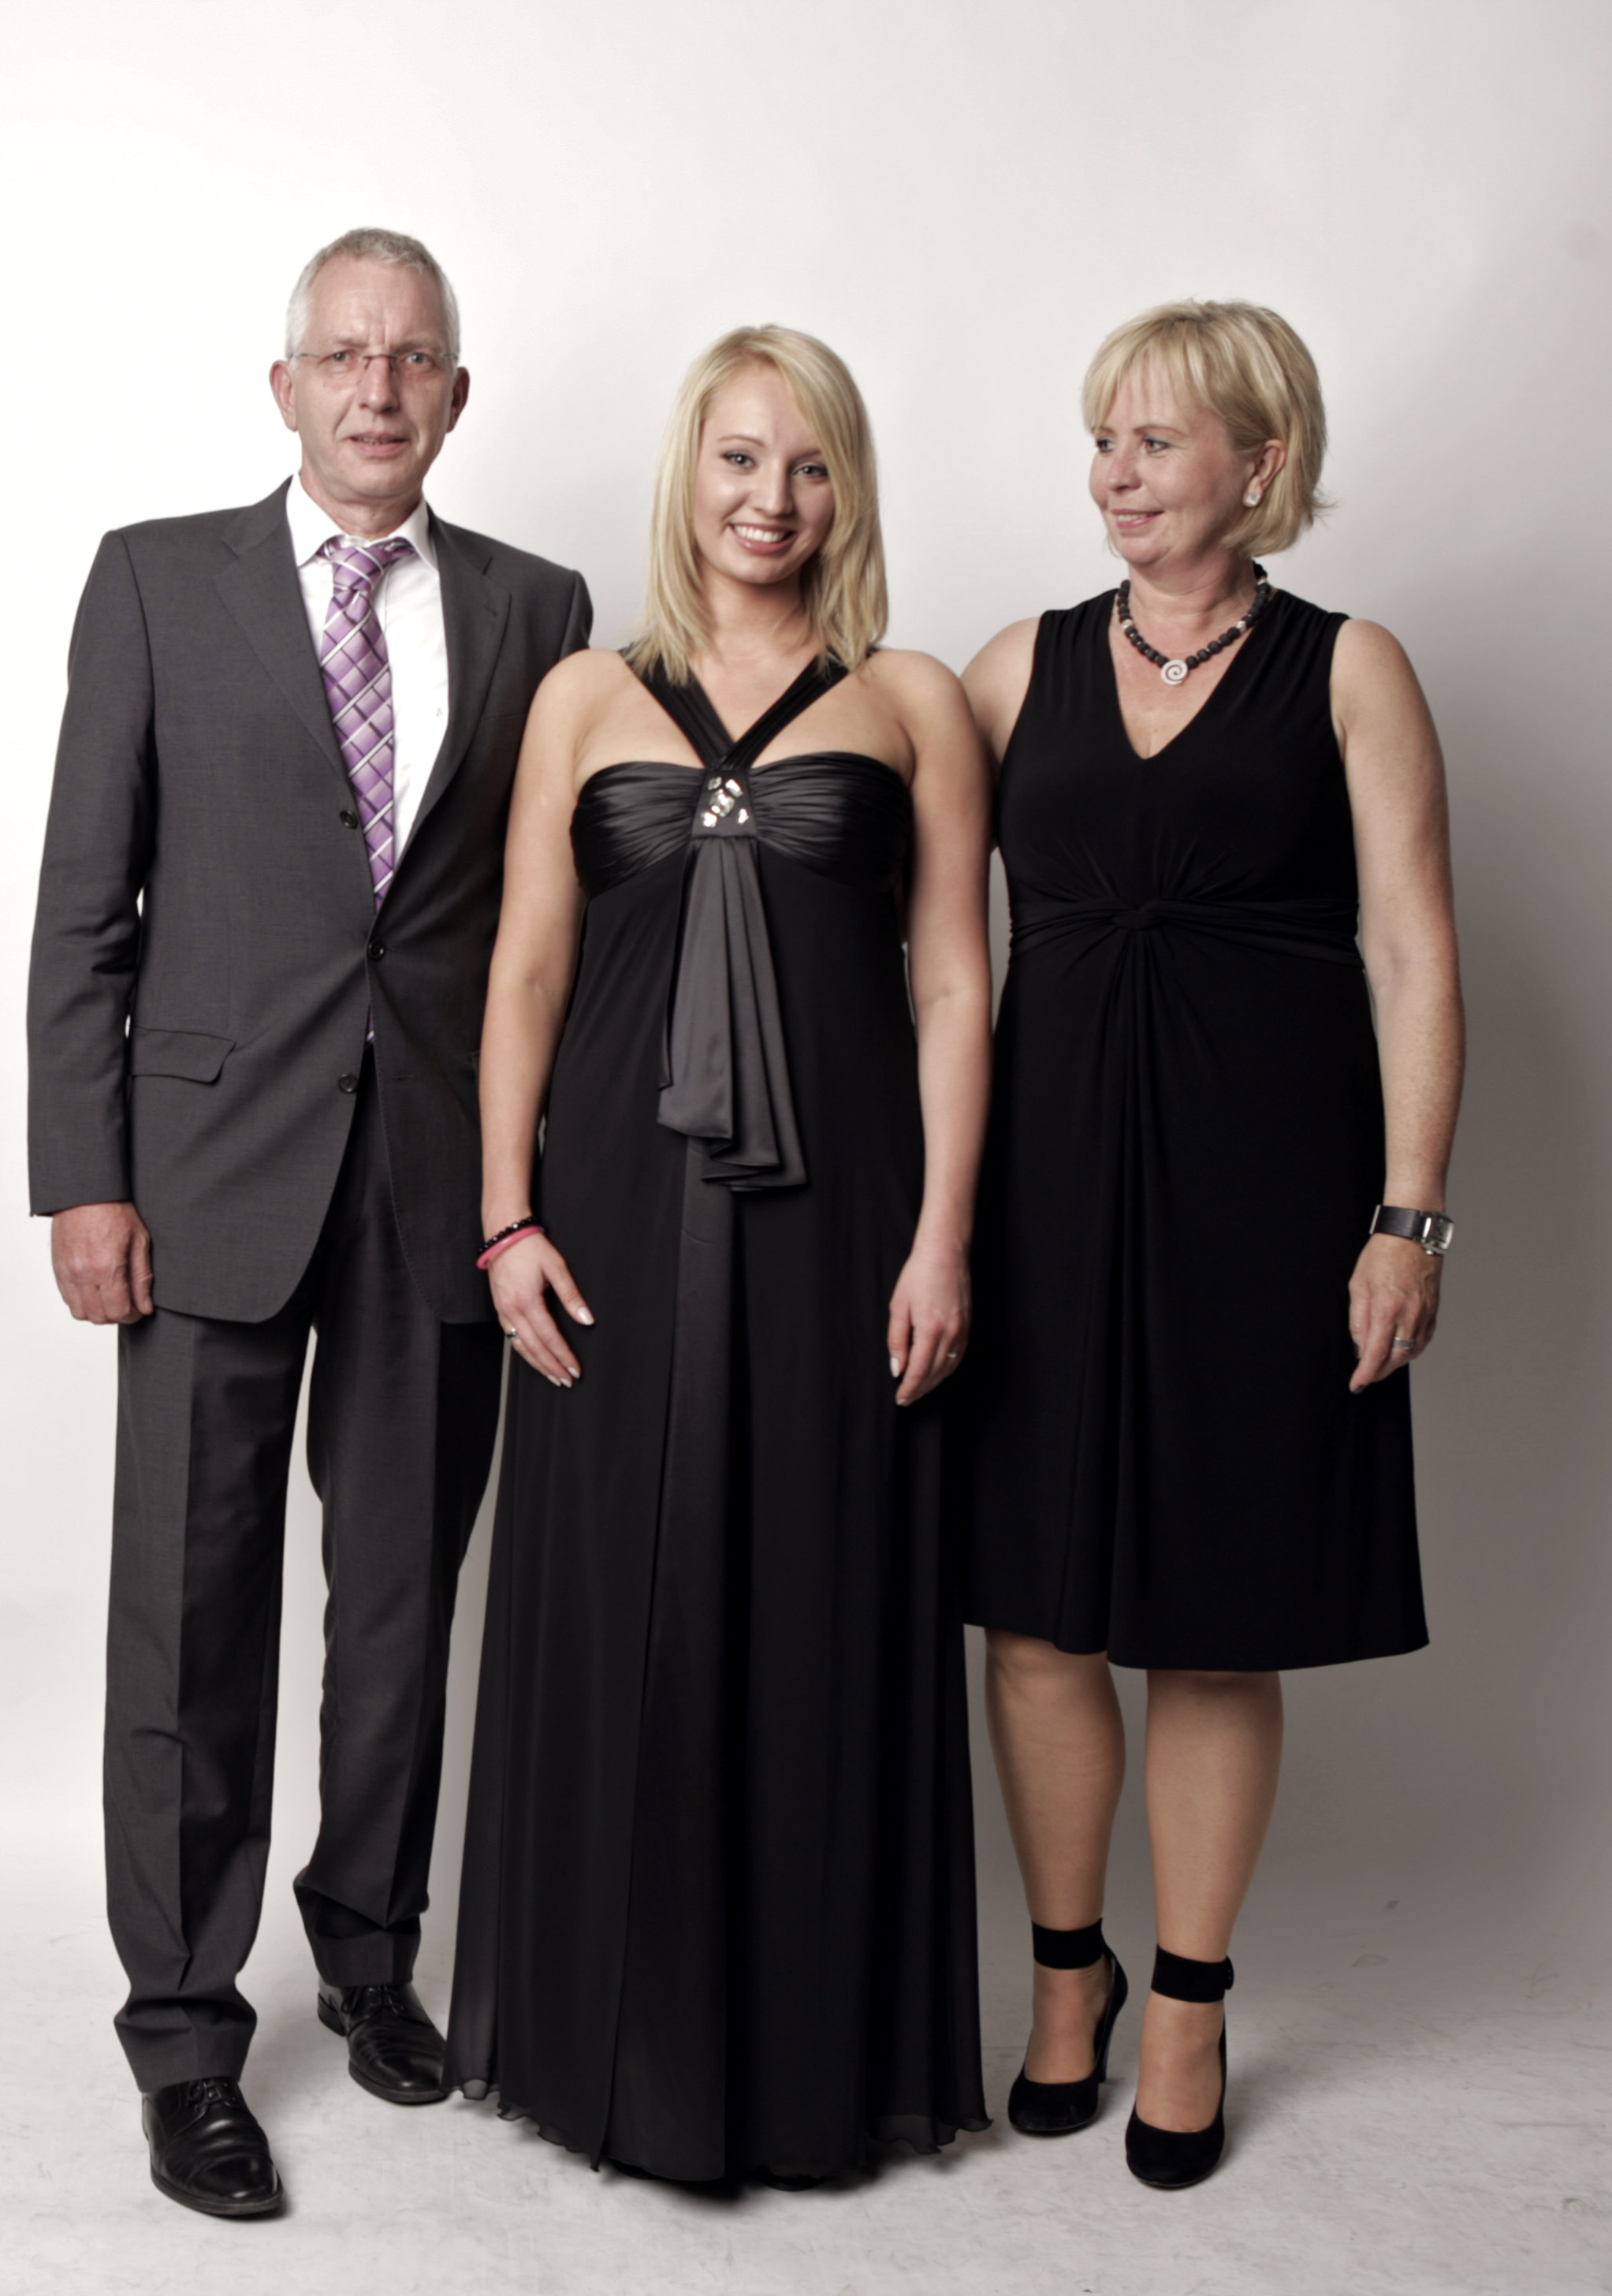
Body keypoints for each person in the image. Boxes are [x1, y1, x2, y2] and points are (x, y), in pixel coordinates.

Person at [25, 227, 595, 2220]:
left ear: (456, 394)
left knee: (402, 1606)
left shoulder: (539, 608)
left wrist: (540, 1185)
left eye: (412, 356)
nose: (377, 386)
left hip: (438, 1183)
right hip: (199, 1182)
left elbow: (541, 930)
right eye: (344, 354)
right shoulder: (155, 581)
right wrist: (82, 1173)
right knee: (188, 1619)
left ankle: (368, 1951)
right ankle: (187, 2036)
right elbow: (83, 905)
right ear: (285, 387)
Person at [451, 326, 996, 2182]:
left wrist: (944, 1237)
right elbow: (526, 968)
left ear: (850, 489)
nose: (774, 499)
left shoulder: (914, 698)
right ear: (689, 471)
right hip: (608, 1214)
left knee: (820, 1599)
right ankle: (610, 2057)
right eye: (742, 458)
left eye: (812, 465)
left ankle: (802, 2069)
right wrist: (505, 1218)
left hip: (847, 1223)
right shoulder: (583, 693)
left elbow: (954, 983)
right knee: (620, 1599)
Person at [953, 301, 1461, 2190]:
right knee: (1034, 1614)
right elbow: (898, 914)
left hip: (1270, 1196)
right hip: (1041, 1190)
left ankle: (1187, 1999)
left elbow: (1412, 951)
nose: (1116, 473)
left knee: (1214, 1616)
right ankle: (1063, 1974)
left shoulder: (1351, 668)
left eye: (1157, 440)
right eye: (1104, 439)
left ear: (1262, 462)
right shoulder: (1013, 667)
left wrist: (1408, 1214)